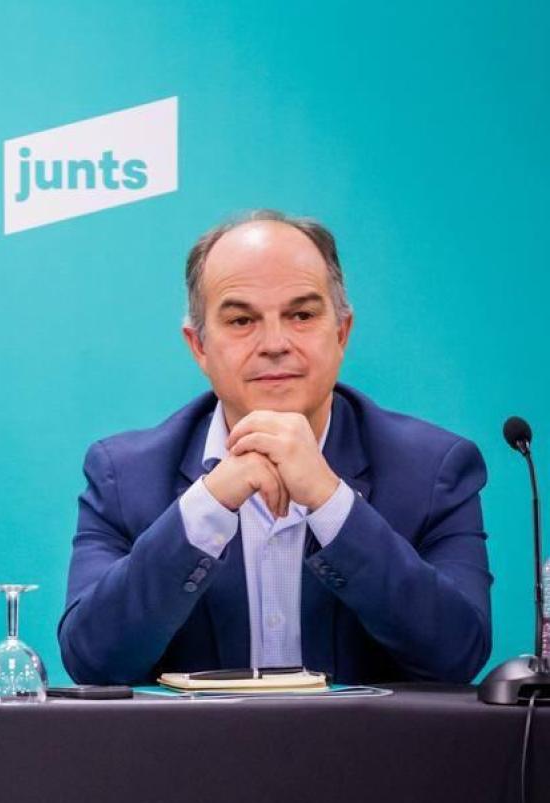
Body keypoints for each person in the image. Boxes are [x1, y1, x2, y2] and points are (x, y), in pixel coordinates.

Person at [59, 211, 491, 685]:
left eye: (301, 315)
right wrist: (209, 503)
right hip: (191, 758)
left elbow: (456, 655)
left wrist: (332, 502)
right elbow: (93, 661)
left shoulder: (433, 469)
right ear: (198, 346)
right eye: (242, 320)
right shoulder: (124, 475)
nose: (275, 344)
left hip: (368, 757)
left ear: (342, 332)